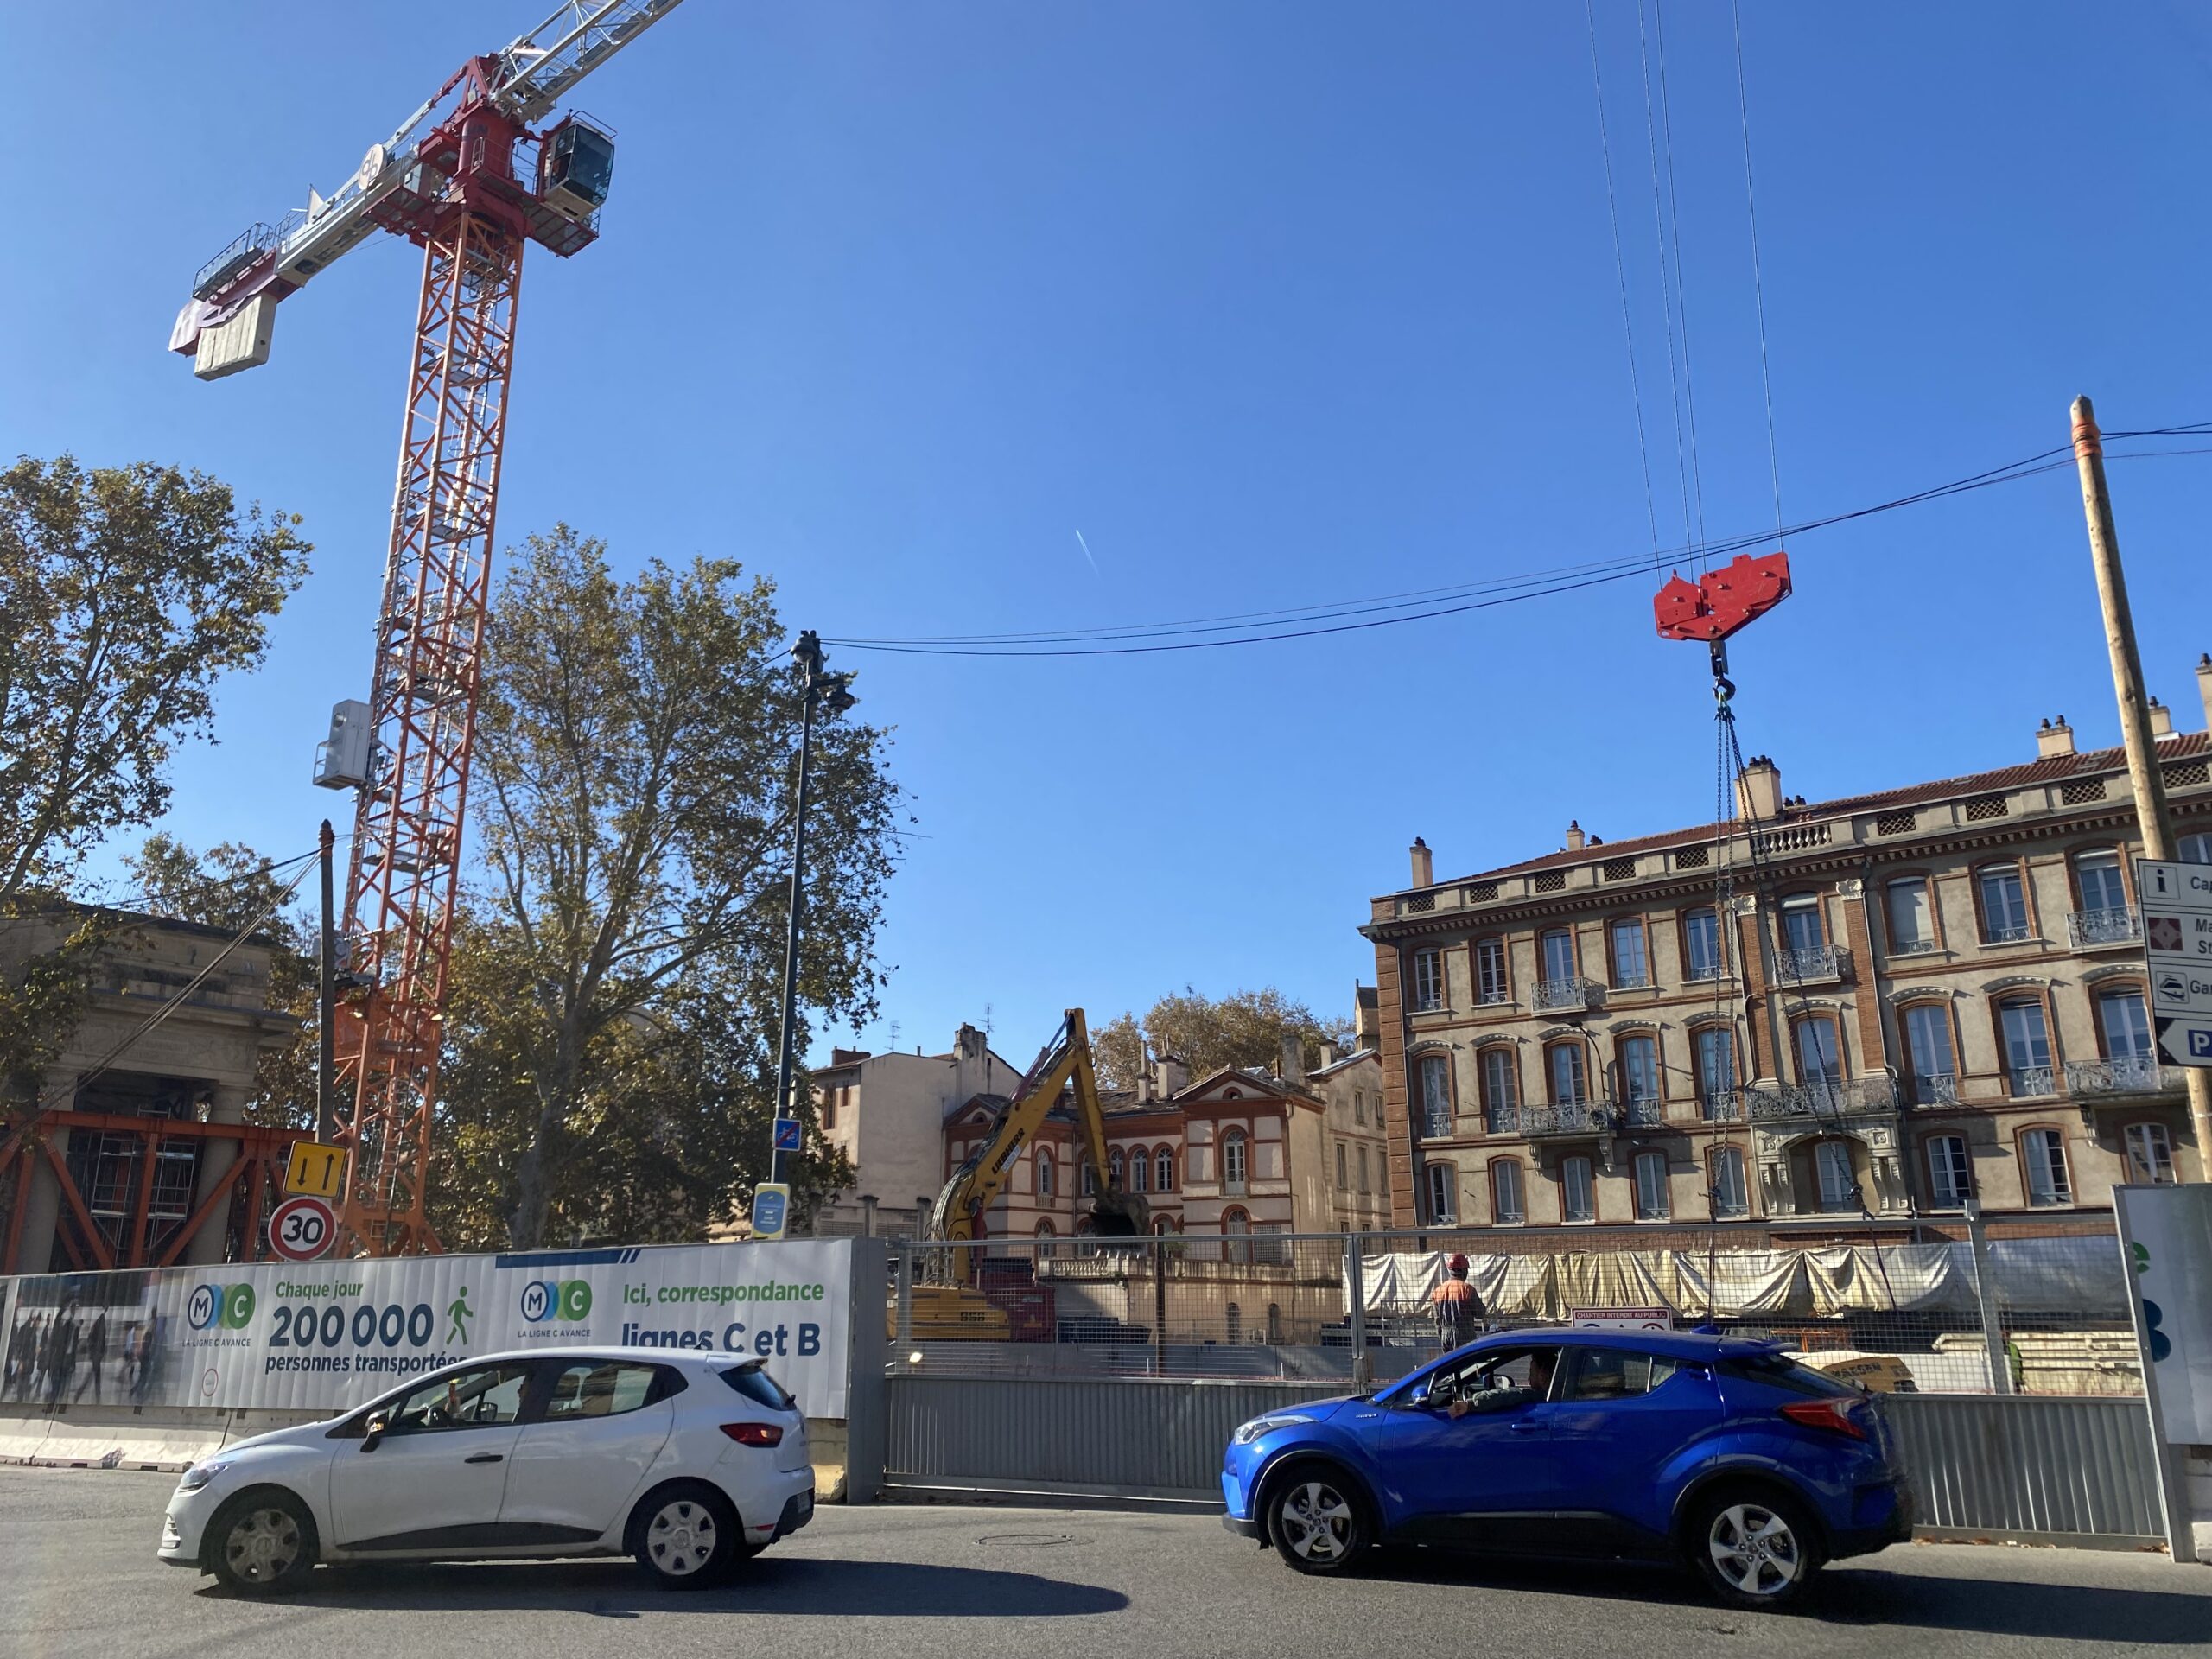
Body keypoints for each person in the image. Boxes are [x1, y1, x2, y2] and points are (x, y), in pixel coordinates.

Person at [1429, 1253, 1483, 1350]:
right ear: (1463, 1271)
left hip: (1445, 1336)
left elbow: (1437, 1321)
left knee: (1452, 1363)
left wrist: (1442, 1337)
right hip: (1464, 1335)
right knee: (1467, 1363)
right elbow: (1480, 1313)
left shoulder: (1438, 1291)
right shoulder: (1467, 1289)